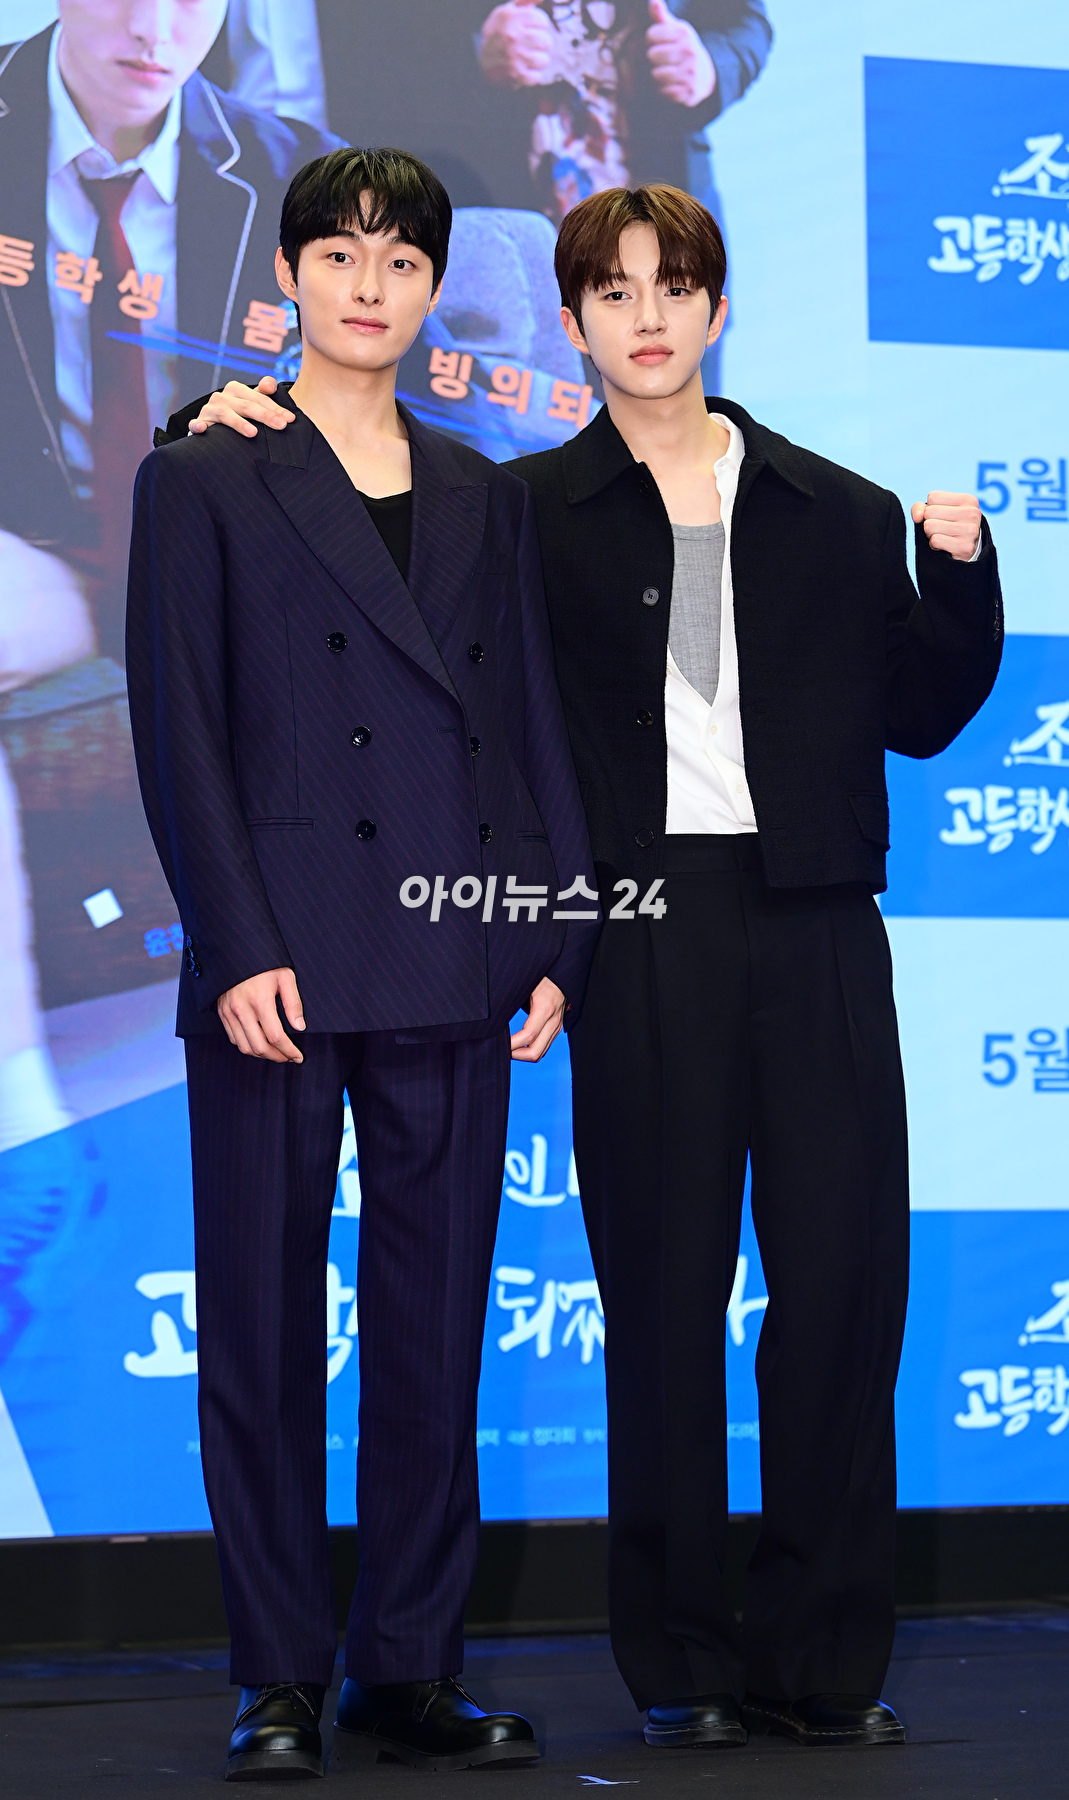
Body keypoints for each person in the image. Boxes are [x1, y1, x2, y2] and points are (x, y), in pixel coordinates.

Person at [176, 180, 1002, 1754]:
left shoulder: (833, 509)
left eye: (673, 286)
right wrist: (200, 420)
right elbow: (450, 700)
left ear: (718, 306)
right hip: (633, 928)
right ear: (570, 323)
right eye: (612, 291)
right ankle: (680, 1664)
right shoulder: (520, 509)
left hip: (817, 921)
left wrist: (960, 582)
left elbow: (919, 710)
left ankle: (822, 1660)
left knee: (843, 1296)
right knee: (663, 1302)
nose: (646, 316)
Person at [126, 146, 598, 1780]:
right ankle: (275, 1670)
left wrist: (550, 931)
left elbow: (523, 728)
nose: (371, 288)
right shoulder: (205, 474)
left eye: (402, 263)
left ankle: (407, 1663)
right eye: (341, 256)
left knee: (431, 1327)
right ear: (291, 277)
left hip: (454, 954)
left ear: (432, 287)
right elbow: (180, 731)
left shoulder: (480, 489)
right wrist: (234, 944)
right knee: (260, 1333)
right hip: (278, 960)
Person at [0, 2, 336, 1147]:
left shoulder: (299, 176)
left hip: (221, 548)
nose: (154, 28)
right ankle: (21, 1104)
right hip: (41, 549)